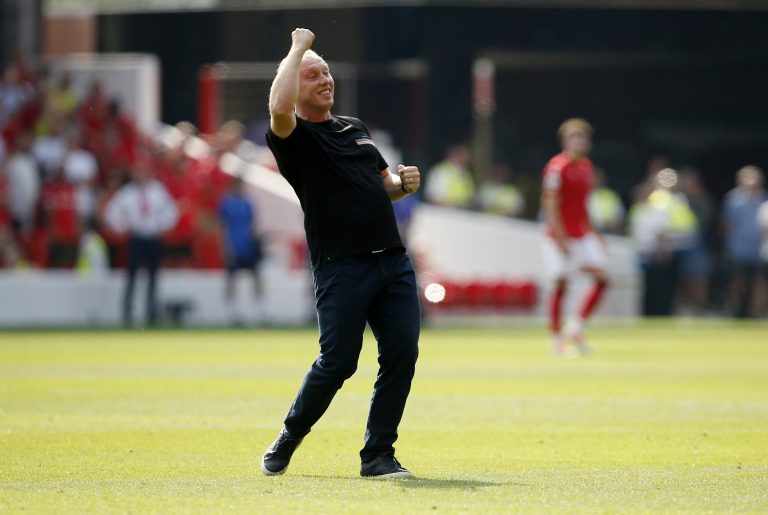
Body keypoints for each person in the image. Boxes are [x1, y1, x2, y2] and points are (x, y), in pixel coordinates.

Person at [262, 28, 421, 479]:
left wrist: (402, 185)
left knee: (402, 354)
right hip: (342, 266)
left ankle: (377, 456)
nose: (324, 80)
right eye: (312, 76)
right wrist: (296, 48)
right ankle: (290, 436)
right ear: (296, 85)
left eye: (326, 72)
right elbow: (277, 106)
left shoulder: (356, 128)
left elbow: (383, 186)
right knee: (338, 362)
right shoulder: (293, 138)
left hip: (392, 261)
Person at [541, 118, 608, 357]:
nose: (579, 142)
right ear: (565, 141)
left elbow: (585, 205)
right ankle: (556, 339)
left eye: (583, 138)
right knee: (561, 283)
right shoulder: (557, 167)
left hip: (582, 234)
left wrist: (596, 234)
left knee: (602, 279)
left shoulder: (587, 167)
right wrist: (560, 238)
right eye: (574, 138)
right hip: (561, 235)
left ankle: (576, 327)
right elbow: (550, 204)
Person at [104, 165, 178, 326]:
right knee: (131, 277)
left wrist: (162, 226)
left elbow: (171, 211)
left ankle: (151, 313)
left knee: (153, 277)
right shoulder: (127, 193)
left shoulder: (158, 191)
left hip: (153, 237)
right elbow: (112, 213)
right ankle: (127, 313)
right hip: (136, 238)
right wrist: (123, 227)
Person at [721, 165, 767, 318]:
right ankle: (735, 312)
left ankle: (754, 313)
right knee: (737, 282)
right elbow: (727, 225)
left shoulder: (764, 200)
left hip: (760, 250)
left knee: (759, 283)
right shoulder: (733, 200)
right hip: (738, 249)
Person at [218, 174, 264, 325]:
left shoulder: (247, 203)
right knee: (231, 278)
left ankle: (260, 310)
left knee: (256, 276)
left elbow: (252, 225)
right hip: (233, 246)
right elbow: (222, 226)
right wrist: (225, 246)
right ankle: (231, 312)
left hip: (247, 246)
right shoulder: (226, 202)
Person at [423, 143, 474, 208]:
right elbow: (432, 196)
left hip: (462, 213)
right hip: (442, 212)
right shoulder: (440, 171)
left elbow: (469, 197)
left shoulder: (466, 174)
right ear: (453, 154)